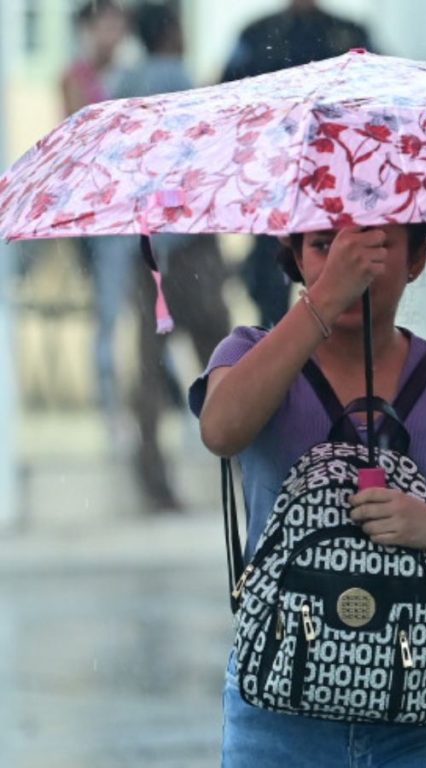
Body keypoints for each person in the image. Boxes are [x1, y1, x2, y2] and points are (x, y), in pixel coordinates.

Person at [188, 220, 426, 765]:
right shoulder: (249, 353)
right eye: (324, 246)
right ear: (295, 255)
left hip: (422, 716)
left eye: (371, 247)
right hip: (279, 710)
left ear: (416, 258)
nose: (346, 264)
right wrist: (323, 301)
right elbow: (220, 431)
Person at [115, 2, 232, 510]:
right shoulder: (184, 83)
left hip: (145, 249)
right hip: (190, 249)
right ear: (169, 32)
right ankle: (246, 456)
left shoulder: (125, 83)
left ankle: (152, 474)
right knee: (225, 360)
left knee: (147, 364)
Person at [221, 0, 374, 329]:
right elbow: (228, 97)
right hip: (274, 181)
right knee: (270, 289)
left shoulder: (349, 35)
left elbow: (382, 96)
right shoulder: (257, 35)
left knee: (340, 284)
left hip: (336, 184)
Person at [60, 0, 133, 448]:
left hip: (131, 214)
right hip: (100, 217)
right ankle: (111, 415)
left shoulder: (132, 76)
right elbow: (77, 142)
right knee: (108, 318)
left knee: (149, 318)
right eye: (104, 23)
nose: (111, 31)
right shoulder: (77, 78)